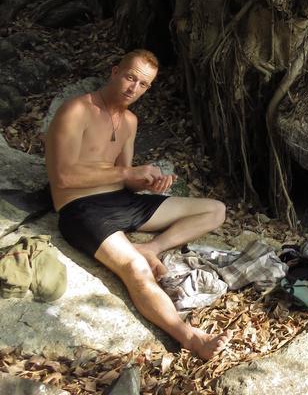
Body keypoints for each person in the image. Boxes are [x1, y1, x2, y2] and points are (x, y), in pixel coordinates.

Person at [44, 49, 229, 360]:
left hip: (121, 200)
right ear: (115, 71)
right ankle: (190, 337)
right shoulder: (77, 109)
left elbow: (124, 177)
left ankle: (153, 247)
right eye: (130, 77)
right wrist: (128, 173)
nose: (134, 88)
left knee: (215, 209)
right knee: (135, 268)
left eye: (143, 84)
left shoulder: (130, 120)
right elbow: (62, 177)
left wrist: (148, 181)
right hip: (80, 207)